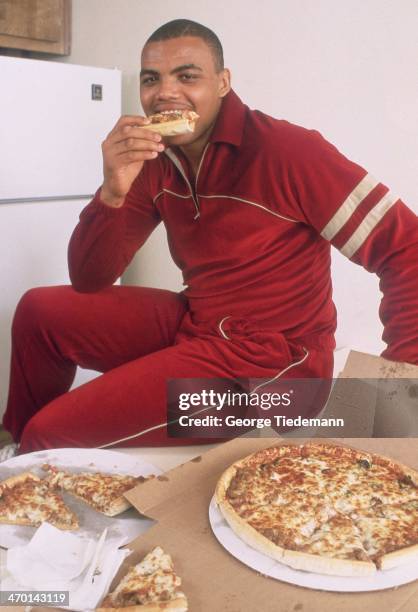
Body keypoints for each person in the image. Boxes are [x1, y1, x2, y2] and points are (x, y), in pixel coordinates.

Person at [2, 19, 417, 455]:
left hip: (274, 370)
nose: (165, 92)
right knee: (38, 312)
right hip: (199, 323)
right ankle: (21, 458)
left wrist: (397, 390)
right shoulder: (157, 161)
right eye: (151, 79)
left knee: (52, 432)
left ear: (222, 83)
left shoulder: (289, 151)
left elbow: (406, 248)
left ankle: (35, 451)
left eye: (186, 76)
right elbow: (90, 279)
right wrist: (112, 193)